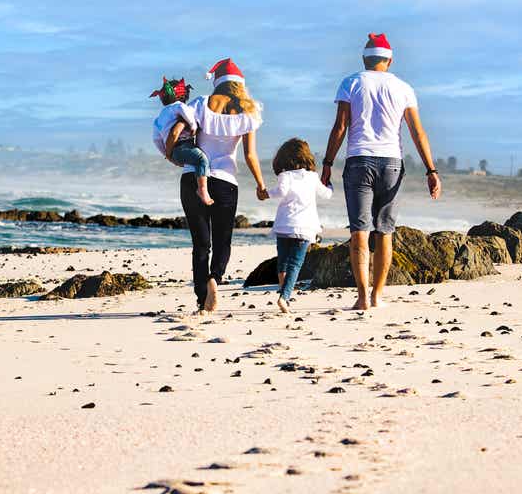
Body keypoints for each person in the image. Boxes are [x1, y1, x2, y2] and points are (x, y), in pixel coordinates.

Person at [320, 33, 442, 311]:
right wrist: (431, 169)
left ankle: (362, 298)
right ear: (390, 60)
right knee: (385, 231)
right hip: (391, 163)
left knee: (359, 232)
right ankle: (377, 296)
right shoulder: (403, 88)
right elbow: (417, 131)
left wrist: (327, 162)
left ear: (364, 59)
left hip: (359, 161)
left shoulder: (351, 82)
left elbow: (340, 128)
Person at [182, 58, 268, 315]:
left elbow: (184, 135)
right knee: (222, 241)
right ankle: (214, 279)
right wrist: (261, 184)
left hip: (193, 178)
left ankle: (201, 301)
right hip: (226, 182)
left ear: (217, 82)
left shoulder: (200, 104)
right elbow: (250, 155)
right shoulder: (247, 112)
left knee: (200, 243)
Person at [268, 137, 332, 313]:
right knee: (295, 265)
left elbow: (280, 192)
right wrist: (330, 185)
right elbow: (326, 194)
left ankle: (283, 292)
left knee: (282, 262)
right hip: (305, 228)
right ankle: (284, 297)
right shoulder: (312, 177)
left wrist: (266, 193)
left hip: (284, 226)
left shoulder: (285, 175)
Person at [151, 77, 212, 206]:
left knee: (196, 160)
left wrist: (168, 155)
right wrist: (193, 126)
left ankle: (201, 188)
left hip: (175, 153)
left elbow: (156, 140)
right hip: (183, 146)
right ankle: (202, 190)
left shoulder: (159, 118)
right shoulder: (179, 106)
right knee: (202, 160)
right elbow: (186, 115)